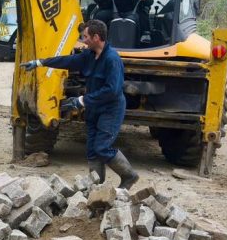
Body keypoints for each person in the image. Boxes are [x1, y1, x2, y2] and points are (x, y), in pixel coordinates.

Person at [21, 20, 139, 188]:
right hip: (94, 109)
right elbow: (68, 61)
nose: (83, 40)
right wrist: (40, 62)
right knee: (91, 149)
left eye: (85, 37)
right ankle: (96, 187)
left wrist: (81, 100)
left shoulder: (112, 60)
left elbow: (112, 90)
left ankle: (129, 176)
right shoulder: (89, 55)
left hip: (110, 110)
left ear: (96, 37)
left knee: (102, 148)